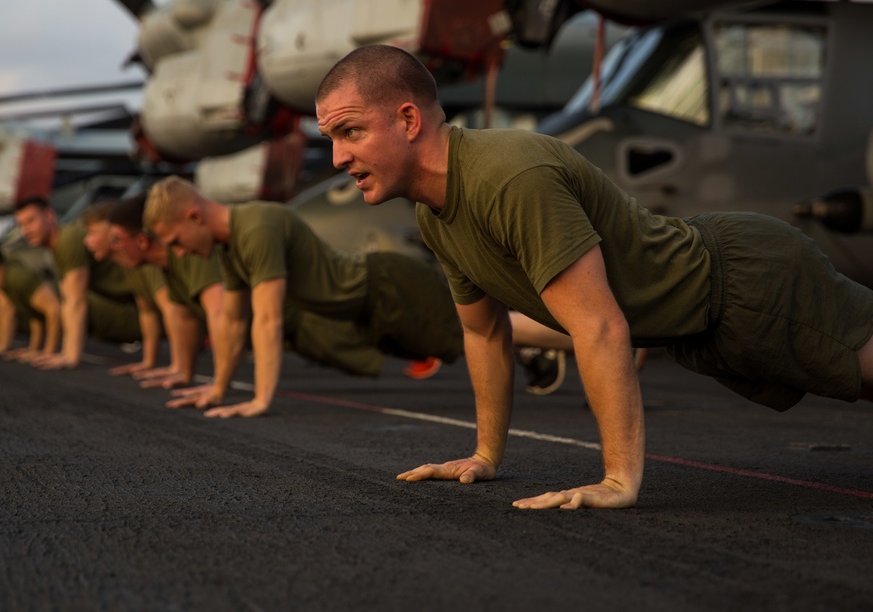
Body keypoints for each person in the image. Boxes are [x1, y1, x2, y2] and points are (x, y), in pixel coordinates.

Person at [315, 44, 873, 510]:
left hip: (747, 281)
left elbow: (600, 326)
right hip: (701, 328)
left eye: (350, 132)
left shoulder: (510, 177)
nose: (338, 157)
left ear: (408, 120)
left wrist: (618, 479)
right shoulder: (433, 215)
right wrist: (485, 456)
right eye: (331, 140)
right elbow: (484, 332)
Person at [143, 176, 466, 418]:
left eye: (176, 242)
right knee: (461, 346)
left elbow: (268, 320)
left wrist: (260, 400)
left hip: (389, 287)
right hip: (365, 311)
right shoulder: (228, 247)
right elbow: (233, 322)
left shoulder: (255, 229)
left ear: (194, 217)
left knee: (478, 338)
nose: (179, 254)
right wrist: (218, 390)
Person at [102, 194, 223, 389]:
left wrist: (219, 387)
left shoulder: (191, 254)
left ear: (142, 241)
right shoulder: (166, 266)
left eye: (117, 239)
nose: (114, 247)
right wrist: (183, 373)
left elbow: (219, 314)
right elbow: (186, 318)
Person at [14, 196, 141, 370]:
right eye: (21, 225)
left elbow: (76, 301)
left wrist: (69, 357)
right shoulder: (58, 247)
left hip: (136, 308)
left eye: (31, 221)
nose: (26, 230)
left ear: (50, 215)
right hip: (131, 304)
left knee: (66, 296)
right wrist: (50, 352)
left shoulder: (67, 239)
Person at [0, 243, 61, 361]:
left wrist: (48, 353)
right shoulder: (2, 285)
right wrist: (33, 350)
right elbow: (36, 316)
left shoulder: (16, 278)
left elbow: (54, 309)